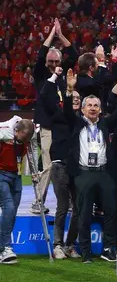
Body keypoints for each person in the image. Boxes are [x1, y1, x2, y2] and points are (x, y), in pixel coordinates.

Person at [63, 69, 117, 263]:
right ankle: (86, 251)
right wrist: (69, 90)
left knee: (111, 211)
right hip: (84, 174)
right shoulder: (76, 123)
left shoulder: (105, 123)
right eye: (89, 105)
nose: (92, 108)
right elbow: (67, 112)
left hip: (104, 173)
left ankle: (109, 248)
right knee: (84, 215)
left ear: (100, 109)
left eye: (96, 105)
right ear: (83, 109)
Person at [32, 18, 77, 215]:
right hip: (48, 126)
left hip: (65, 125)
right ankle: (38, 201)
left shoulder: (64, 71)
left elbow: (73, 54)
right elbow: (41, 54)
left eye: (56, 61)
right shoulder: (41, 74)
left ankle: (68, 201)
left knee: (68, 162)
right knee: (49, 165)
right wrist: (51, 34)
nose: (53, 64)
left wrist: (61, 35)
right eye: (50, 61)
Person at [39, 69, 82, 259]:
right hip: (60, 166)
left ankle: (70, 244)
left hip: (77, 167)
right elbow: (44, 95)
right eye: (73, 97)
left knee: (79, 208)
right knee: (63, 206)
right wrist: (56, 77)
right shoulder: (58, 114)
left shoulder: (82, 120)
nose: (76, 100)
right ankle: (57, 244)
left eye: (78, 98)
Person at [0, 116, 35, 265]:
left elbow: (32, 152)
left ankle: (3, 247)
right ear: (16, 131)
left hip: (16, 176)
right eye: (22, 137)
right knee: (8, 207)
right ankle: (5, 248)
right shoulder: (5, 131)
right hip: (1, 174)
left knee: (12, 212)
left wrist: (34, 172)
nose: (24, 141)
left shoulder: (28, 136)